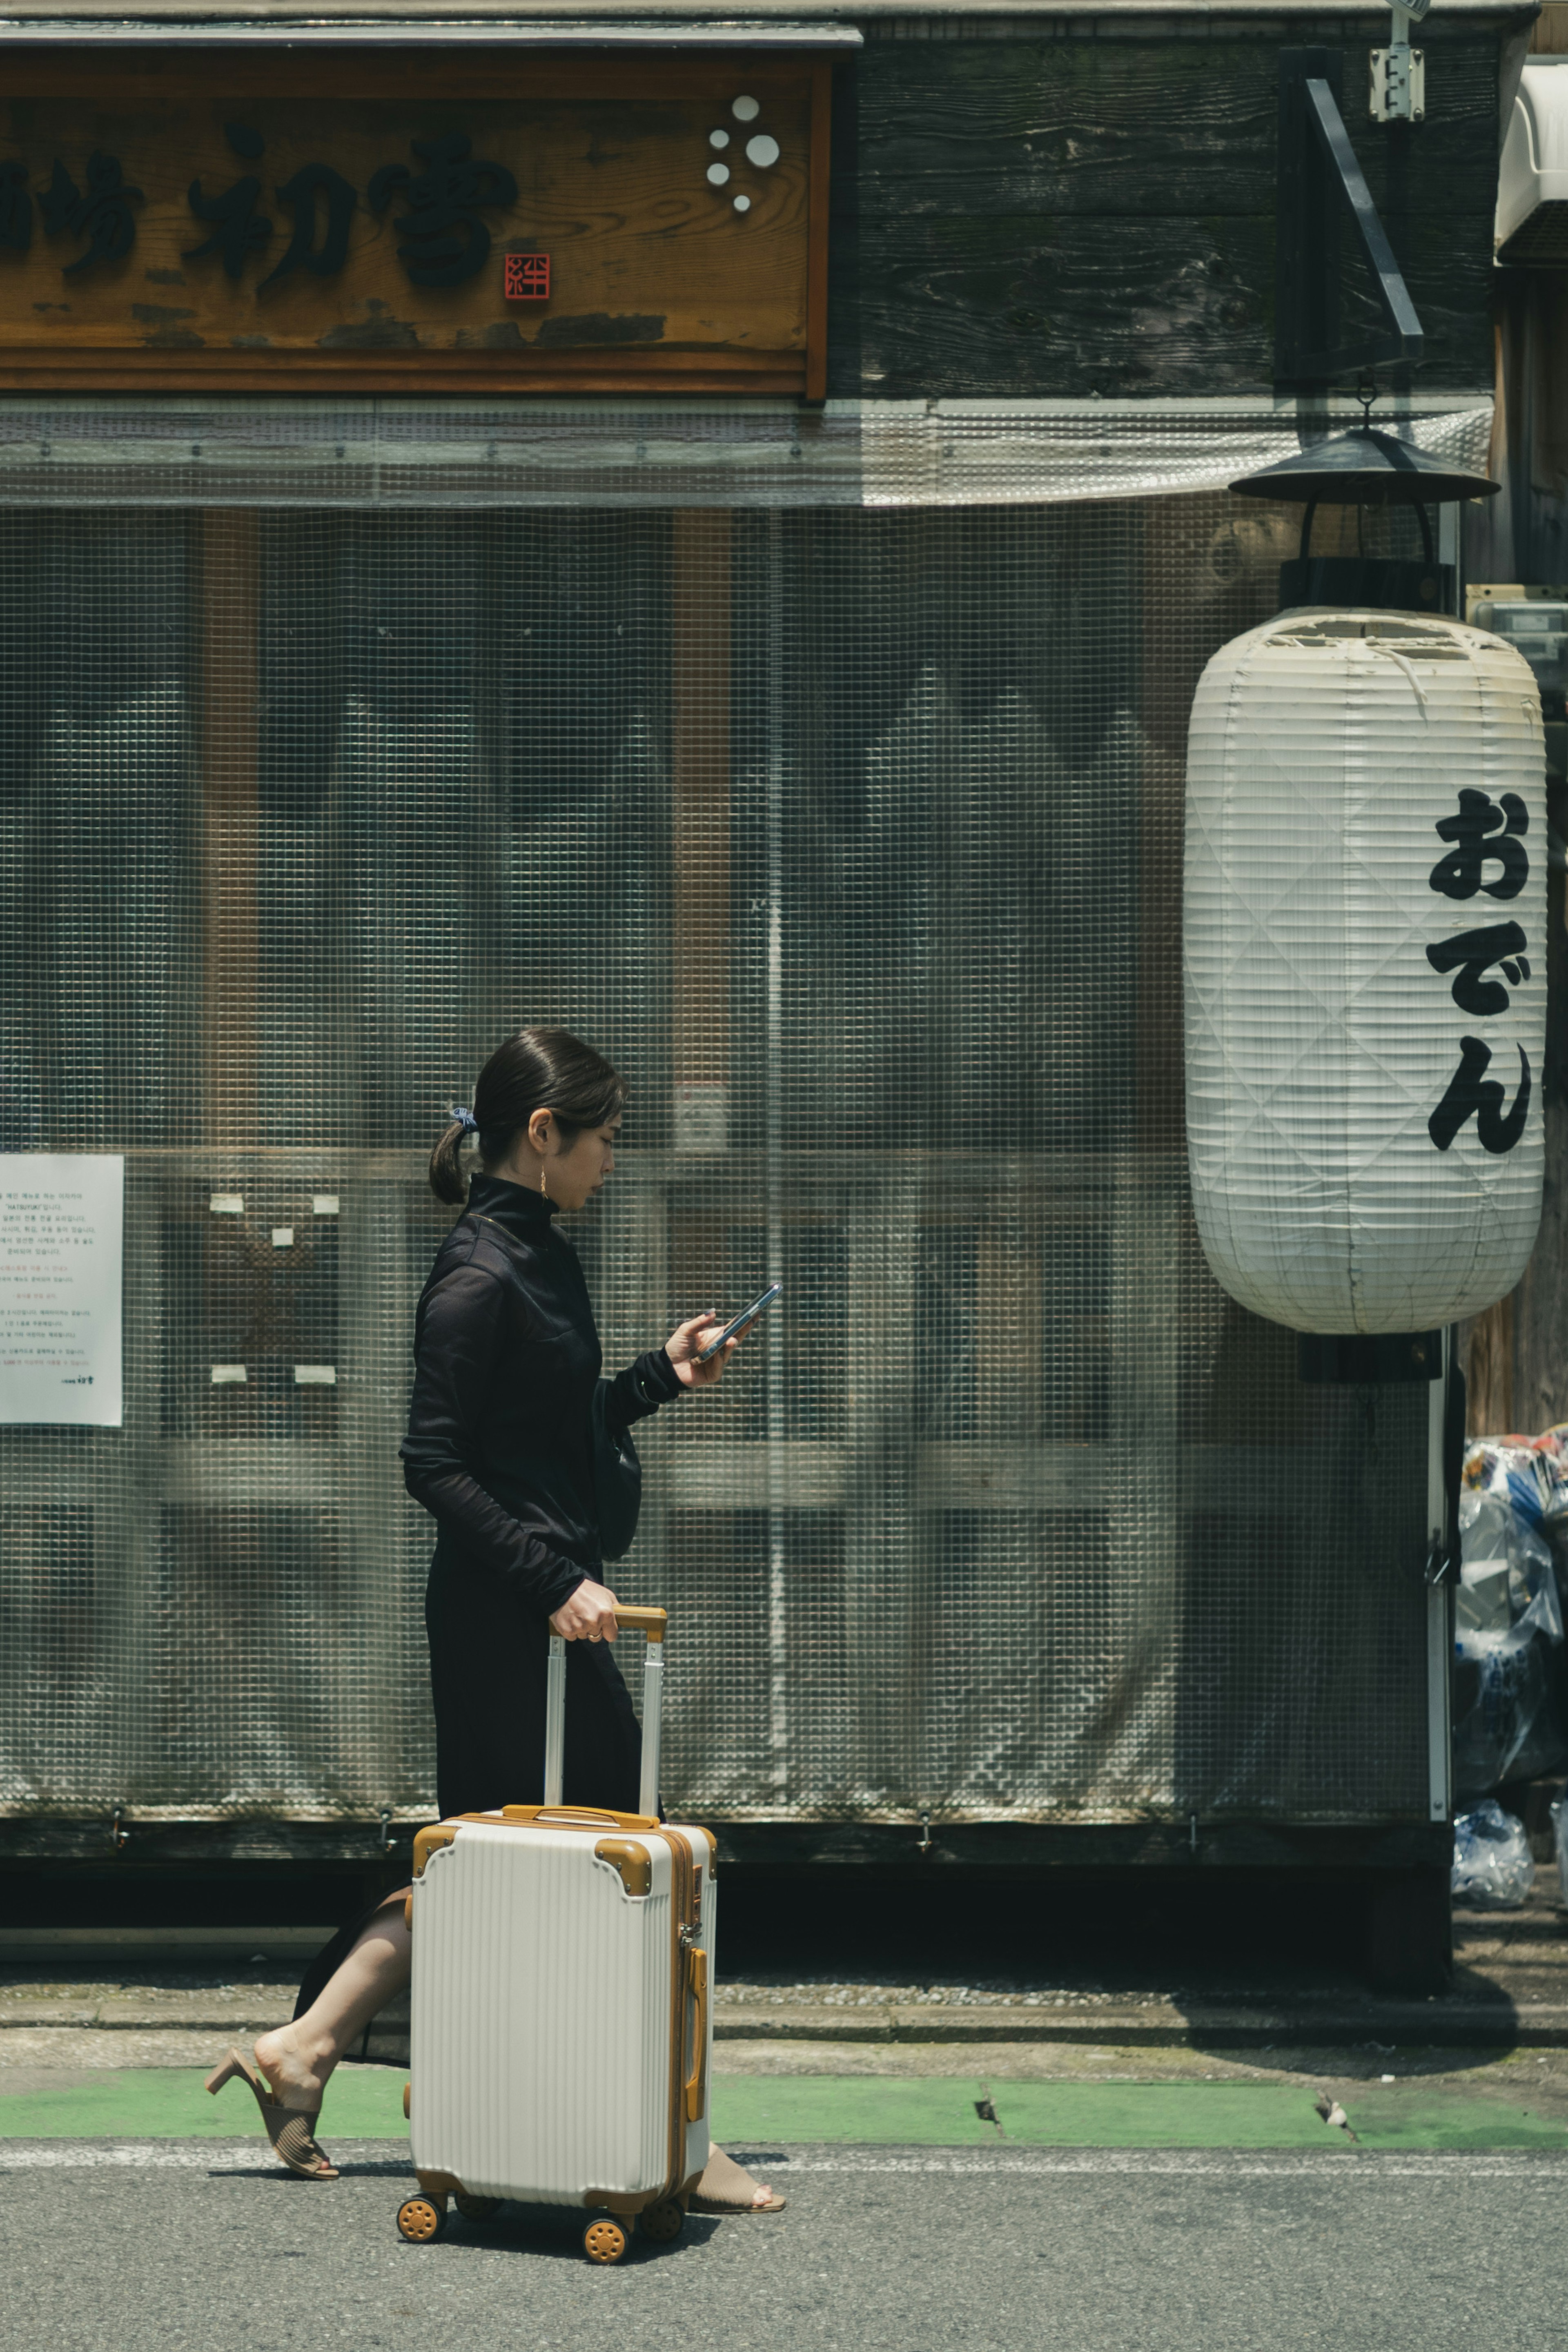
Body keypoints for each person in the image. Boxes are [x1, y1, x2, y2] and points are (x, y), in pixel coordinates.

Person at [208, 1027, 782, 2215]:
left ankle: (306, 2047)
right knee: (628, 1866)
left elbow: (546, 1434)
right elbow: (435, 1462)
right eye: (607, 1139)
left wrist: (657, 1379)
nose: (615, 1159)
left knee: (488, 1867)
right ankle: (677, 2135)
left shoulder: (538, 1253)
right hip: (513, 1615)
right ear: (543, 1135)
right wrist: (554, 1584)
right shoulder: (479, 1273)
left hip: (533, 1606)